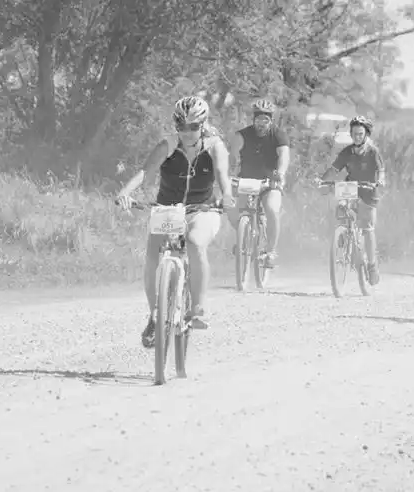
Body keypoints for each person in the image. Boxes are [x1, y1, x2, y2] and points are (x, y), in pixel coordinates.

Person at [115, 96, 233, 348]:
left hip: (203, 209)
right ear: (175, 126)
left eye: (193, 127)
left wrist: (228, 198)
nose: (187, 133)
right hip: (167, 208)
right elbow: (145, 173)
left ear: (203, 125)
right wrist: (126, 192)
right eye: (181, 126)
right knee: (152, 256)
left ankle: (198, 308)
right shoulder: (167, 145)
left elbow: (223, 175)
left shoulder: (215, 146)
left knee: (194, 242)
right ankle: (155, 315)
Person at [319, 115, 386, 284]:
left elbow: (381, 170)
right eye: (354, 133)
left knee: (367, 228)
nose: (357, 137)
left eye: (360, 134)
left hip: (369, 190)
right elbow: (334, 169)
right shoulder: (347, 151)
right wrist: (321, 180)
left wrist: (380, 181)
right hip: (351, 186)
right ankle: (343, 236)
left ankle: (371, 265)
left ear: (366, 135)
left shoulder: (373, 151)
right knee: (341, 206)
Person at [227, 99, 291, 268]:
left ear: (271, 120)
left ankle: (271, 251)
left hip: (270, 181)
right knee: (233, 209)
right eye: (258, 119)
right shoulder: (242, 135)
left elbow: (284, 156)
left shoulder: (278, 135)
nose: (261, 123)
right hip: (246, 180)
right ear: (253, 120)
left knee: (271, 209)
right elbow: (233, 157)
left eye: (265, 119)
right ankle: (243, 236)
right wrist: (230, 174)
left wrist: (281, 174)